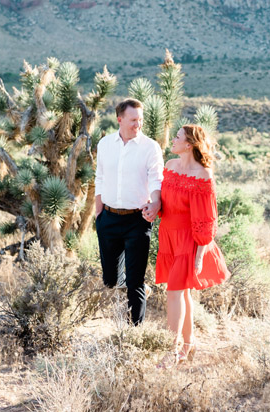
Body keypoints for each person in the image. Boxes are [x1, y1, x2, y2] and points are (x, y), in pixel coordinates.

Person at [153, 123, 229, 367]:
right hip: (168, 235)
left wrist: (199, 254)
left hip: (188, 241)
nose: (172, 141)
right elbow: (165, 201)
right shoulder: (170, 166)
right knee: (182, 293)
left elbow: (207, 219)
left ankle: (171, 352)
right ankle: (189, 344)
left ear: (189, 144)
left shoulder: (203, 174)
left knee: (174, 293)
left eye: (177, 138)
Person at [94, 98, 164, 325]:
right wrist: (98, 214)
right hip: (108, 219)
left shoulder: (150, 147)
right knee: (110, 280)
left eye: (140, 120)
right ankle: (137, 288)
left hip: (138, 219)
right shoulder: (104, 144)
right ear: (120, 119)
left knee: (134, 281)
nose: (138, 124)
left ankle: (135, 331)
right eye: (133, 120)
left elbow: (156, 180)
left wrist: (155, 203)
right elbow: (100, 178)